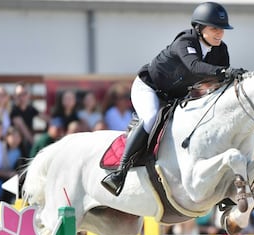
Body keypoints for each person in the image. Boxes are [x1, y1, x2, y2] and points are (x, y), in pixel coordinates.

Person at [102, 1, 242, 196]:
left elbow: (219, 81)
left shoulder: (220, 50)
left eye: (222, 29)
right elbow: (194, 67)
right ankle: (120, 172)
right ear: (199, 28)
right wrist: (225, 71)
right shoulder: (185, 42)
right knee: (151, 118)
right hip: (148, 88)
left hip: (175, 97)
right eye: (214, 28)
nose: (219, 33)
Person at [10, 82, 41, 151]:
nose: (22, 97)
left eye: (24, 93)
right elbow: (24, 131)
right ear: (15, 96)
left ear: (28, 95)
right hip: (17, 146)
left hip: (27, 143)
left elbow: (45, 118)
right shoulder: (14, 110)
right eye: (19, 94)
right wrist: (36, 145)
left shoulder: (30, 108)